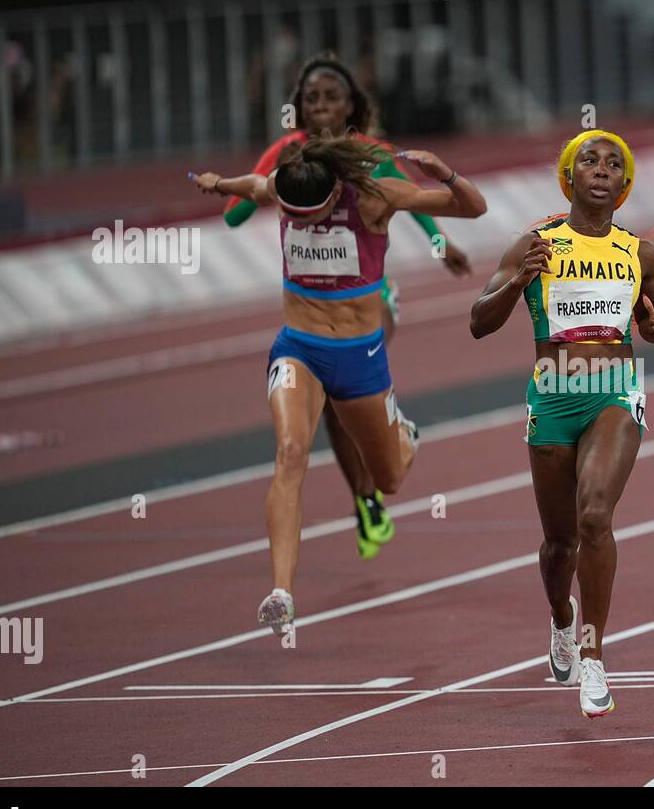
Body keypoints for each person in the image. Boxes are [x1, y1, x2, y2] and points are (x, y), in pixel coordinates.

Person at [191, 136, 486, 633]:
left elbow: (472, 209)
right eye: (291, 216)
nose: (298, 223)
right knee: (289, 452)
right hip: (298, 348)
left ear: (332, 196)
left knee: (389, 478)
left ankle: (404, 434)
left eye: (307, 216)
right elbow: (254, 187)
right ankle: (281, 592)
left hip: (359, 357)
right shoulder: (285, 188)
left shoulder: (374, 197)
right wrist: (218, 183)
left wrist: (446, 174)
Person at [224, 51, 473, 562]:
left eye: (331, 98)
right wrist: (265, 182)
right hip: (311, 303)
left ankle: (388, 438)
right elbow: (234, 216)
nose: (320, 107)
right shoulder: (288, 154)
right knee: (333, 409)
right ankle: (365, 499)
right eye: (311, 99)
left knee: (344, 388)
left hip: (370, 298)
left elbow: (409, 200)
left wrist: (440, 245)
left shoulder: (370, 154)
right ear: (299, 107)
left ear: (351, 106)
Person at [470, 130, 654, 717]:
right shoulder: (534, 245)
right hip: (553, 396)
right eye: (590, 160)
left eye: (615, 164)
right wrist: (516, 280)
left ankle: (594, 657)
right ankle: (562, 617)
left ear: (625, 184)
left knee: (594, 517)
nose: (603, 170)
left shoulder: (639, 253)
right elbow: (479, 323)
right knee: (559, 543)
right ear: (570, 176)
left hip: (614, 392)